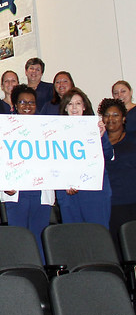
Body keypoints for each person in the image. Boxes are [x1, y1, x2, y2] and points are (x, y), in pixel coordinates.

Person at [0, 84, 54, 260]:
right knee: (19, 238)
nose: (27, 106)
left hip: (40, 189)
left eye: (31, 103)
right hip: (15, 190)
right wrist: (3, 182)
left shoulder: (47, 127)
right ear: (14, 105)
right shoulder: (3, 127)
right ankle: (22, 275)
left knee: (40, 238)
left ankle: (43, 276)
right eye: (23, 102)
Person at [57, 88, 112, 228]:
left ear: (84, 106)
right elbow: (54, 164)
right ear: (65, 108)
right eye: (70, 104)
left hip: (94, 193)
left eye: (78, 103)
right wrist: (65, 183)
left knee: (98, 236)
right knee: (74, 239)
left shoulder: (96, 127)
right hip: (69, 194)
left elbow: (108, 156)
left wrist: (101, 138)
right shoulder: (55, 131)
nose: (74, 107)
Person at [98, 98, 136, 245]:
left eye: (115, 115)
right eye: (107, 115)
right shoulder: (97, 142)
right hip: (108, 204)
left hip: (132, 202)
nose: (111, 119)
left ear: (124, 118)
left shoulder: (133, 141)